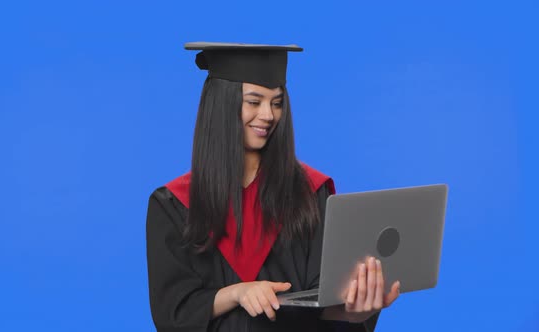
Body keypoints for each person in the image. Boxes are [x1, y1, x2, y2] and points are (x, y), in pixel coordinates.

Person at [146, 42, 400, 332]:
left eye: (277, 102)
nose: (268, 115)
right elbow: (173, 315)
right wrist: (236, 293)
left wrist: (355, 313)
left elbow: (324, 306)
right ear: (222, 105)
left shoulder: (310, 193)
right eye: (254, 102)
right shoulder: (173, 205)